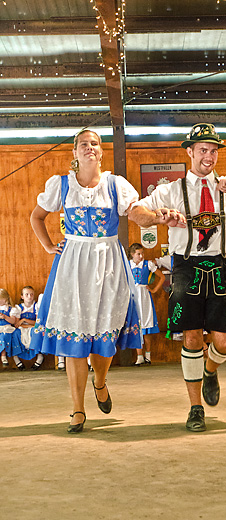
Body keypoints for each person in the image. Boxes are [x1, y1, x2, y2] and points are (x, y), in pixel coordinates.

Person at [129, 122, 226, 432]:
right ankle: (195, 407)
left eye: (213, 150)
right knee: (193, 336)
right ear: (190, 152)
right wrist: (160, 217)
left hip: (220, 266)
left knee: (224, 342)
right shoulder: (170, 190)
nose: (209, 156)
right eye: (203, 150)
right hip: (185, 266)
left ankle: (211, 370)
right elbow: (135, 213)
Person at [29, 129, 142, 434]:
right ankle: (77, 408)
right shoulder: (61, 185)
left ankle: (101, 381)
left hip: (109, 261)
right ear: (75, 153)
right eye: (83, 144)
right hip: (73, 262)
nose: (89, 148)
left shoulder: (116, 184)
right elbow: (36, 217)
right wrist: (49, 246)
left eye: (94, 144)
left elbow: (135, 210)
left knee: (104, 335)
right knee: (75, 336)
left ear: (101, 152)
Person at [128, 242, 165, 366]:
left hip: (144, 295)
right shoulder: (128, 265)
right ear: (132, 254)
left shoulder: (147, 264)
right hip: (133, 297)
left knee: (146, 327)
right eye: (139, 253)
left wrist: (154, 290)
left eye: (142, 253)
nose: (141, 256)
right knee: (136, 325)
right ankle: (139, 356)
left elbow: (162, 277)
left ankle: (148, 355)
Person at [12, 286, 45, 371]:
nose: (29, 296)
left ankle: (39, 356)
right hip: (23, 328)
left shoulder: (36, 306)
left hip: (33, 328)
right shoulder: (19, 308)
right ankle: (16, 358)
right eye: (26, 294)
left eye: (31, 294)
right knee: (15, 333)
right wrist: (26, 325)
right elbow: (17, 324)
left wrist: (24, 320)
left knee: (36, 332)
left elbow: (38, 323)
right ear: (22, 296)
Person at [0, 288, 18, 368]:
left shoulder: (11, 309)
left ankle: (3, 356)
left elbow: (13, 321)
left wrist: (4, 317)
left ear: (5, 299)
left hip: (6, 328)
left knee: (3, 336)